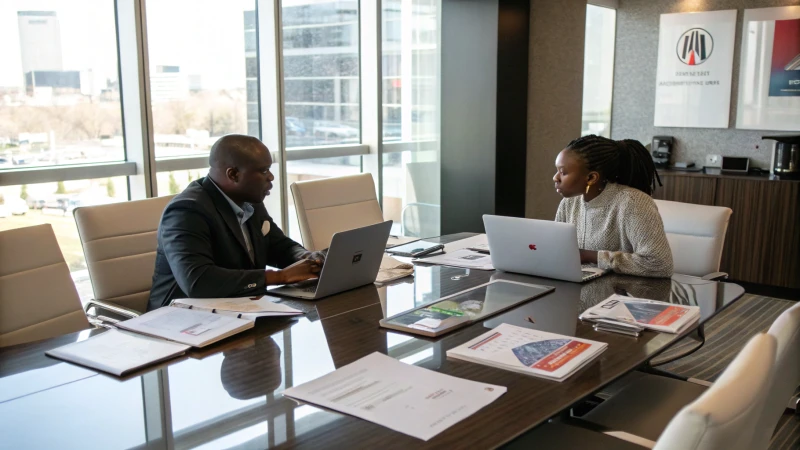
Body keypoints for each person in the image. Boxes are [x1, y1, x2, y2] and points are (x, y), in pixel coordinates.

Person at [148, 134, 323, 310]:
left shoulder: (249, 201)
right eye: (263, 171)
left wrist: (306, 258)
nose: (271, 177)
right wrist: (279, 277)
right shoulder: (187, 211)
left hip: (236, 308)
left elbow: (278, 246)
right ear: (233, 174)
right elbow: (198, 282)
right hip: (180, 319)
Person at [553, 135, 673, 278]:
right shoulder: (568, 204)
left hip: (623, 292)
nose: (555, 178)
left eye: (563, 172)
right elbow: (559, 251)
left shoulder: (633, 202)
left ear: (591, 178)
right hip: (577, 288)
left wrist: (589, 256)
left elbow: (660, 264)